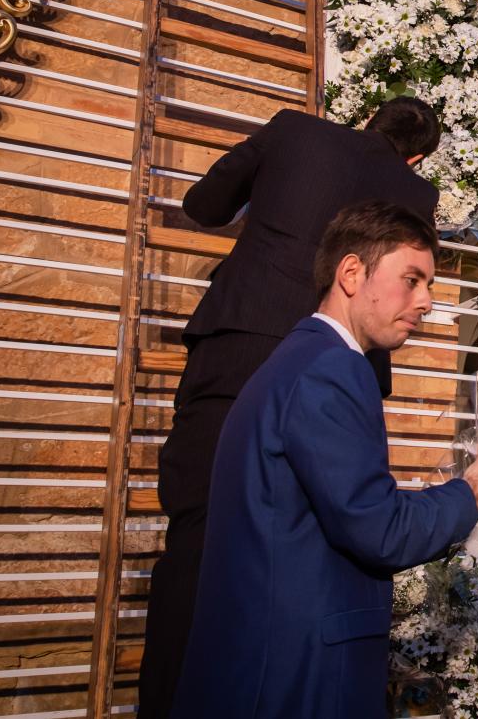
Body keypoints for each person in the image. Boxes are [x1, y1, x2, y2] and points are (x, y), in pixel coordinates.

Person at [171, 201, 478, 719]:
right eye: (412, 279)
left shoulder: (302, 358)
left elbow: (340, 510)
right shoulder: (331, 369)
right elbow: (378, 528)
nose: (427, 301)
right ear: (350, 273)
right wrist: (469, 493)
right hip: (296, 675)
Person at [141, 97, 441, 719]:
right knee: (308, 561)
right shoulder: (415, 191)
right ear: (413, 156)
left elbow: (203, 206)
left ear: (369, 123)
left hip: (241, 345)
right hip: (342, 370)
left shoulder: (294, 131)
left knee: (198, 539)